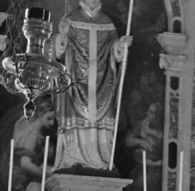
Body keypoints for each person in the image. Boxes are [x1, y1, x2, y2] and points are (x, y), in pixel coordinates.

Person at [51, 0, 133, 171]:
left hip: (102, 82)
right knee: (75, 120)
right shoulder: (70, 19)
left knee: (101, 119)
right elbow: (58, 51)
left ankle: (100, 159)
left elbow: (114, 52)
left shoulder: (107, 22)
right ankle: (73, 156)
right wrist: (63, 37)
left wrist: (120, 46)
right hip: (74, 82)